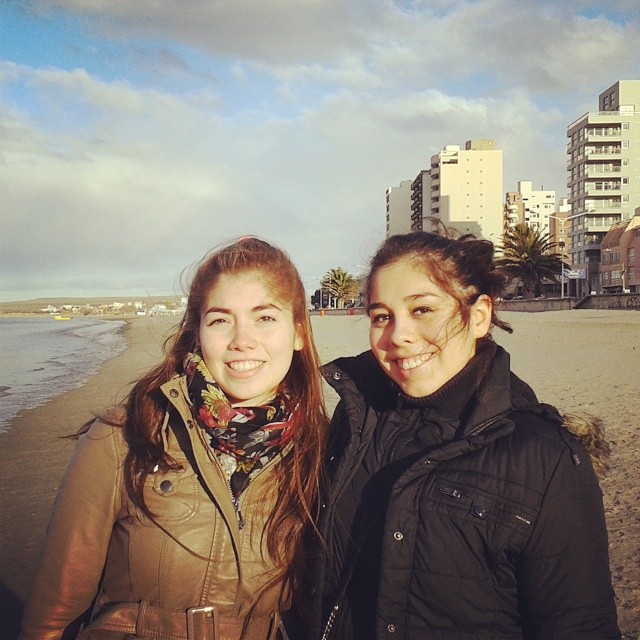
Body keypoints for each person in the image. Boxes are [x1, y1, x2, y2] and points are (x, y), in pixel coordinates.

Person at [290, 231, 621, 639]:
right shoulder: (356, 419)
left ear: (479, 315)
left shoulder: (546, 459)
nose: (398, 336)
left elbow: (580, 625)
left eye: (423, 309)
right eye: (381, 316)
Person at [20, 237, 328, 640]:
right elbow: (52, 616)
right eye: (220, 320)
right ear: (197, 333)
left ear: (298, 333)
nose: (242, 340)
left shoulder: (323, 448)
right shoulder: (124, 437)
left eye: (265, 317)